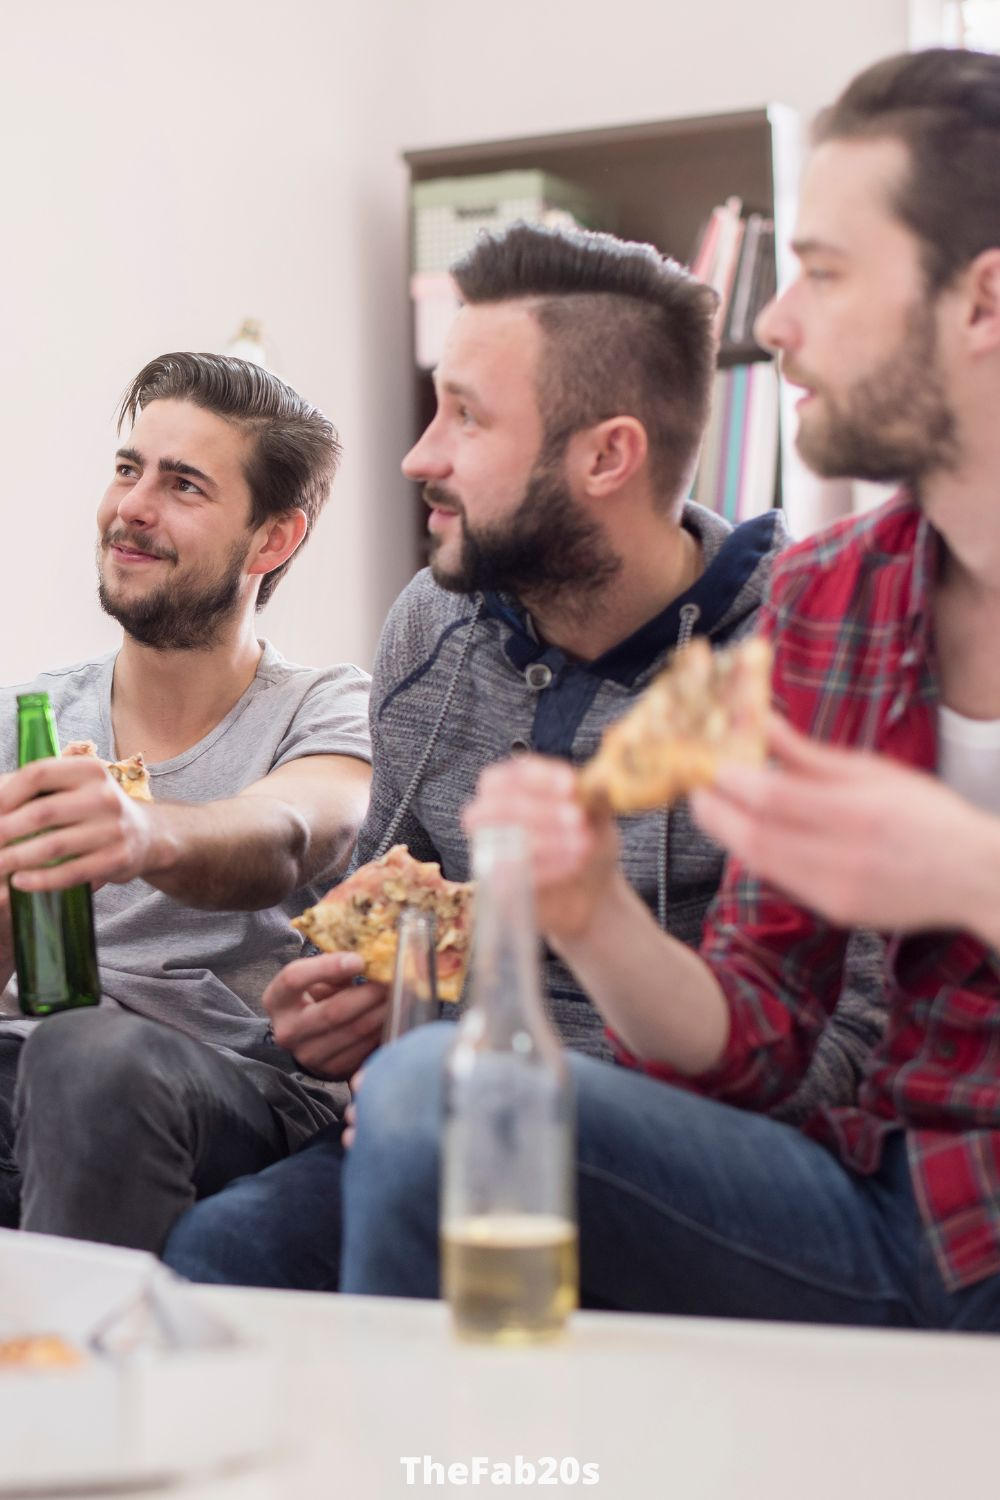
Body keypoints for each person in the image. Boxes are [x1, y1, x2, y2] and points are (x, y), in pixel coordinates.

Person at [339, 48, 1000, 1332]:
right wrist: (591, 912)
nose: (773, 322)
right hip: (875, 1208)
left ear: (982, 303)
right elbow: (760, 1033)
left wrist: (967, 872)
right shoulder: (836, 598)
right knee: (437, 1095)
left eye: (826, 272)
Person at [163, 223, 884, 1288]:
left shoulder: (800, 655)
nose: (418, 456)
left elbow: (847, 1057)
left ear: (607, 456)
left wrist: (475, 1088)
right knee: (221, 1254)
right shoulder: (432, 624)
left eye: (466, 416)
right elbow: (404, 915)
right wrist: (356, 1003)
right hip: (440, 1110)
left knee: (432, 1108)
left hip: (716, 1150)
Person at [0, 351, 371, 1252]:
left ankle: (84, 1387)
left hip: (223, 1090)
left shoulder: (327, 707)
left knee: (86, 1054)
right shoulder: (33, 718)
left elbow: (293, 834)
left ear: (274, 540)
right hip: (22, 1072)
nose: (132, 505)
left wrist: (141, 834)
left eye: (184, 485)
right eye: (128, 470)